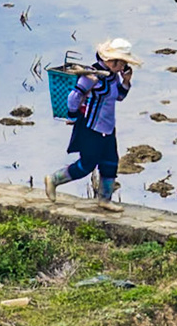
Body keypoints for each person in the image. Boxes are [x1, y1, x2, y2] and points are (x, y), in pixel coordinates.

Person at [44, 37, 141, 210]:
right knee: (86, 164)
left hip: (108, 128)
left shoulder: (112, 77)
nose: (123, 67)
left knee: (110, 163)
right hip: (91, 127)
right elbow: (74, 97)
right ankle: (54, 179)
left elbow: (119, 97)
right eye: (122, 63)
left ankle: (104, 199)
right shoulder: (91, 76)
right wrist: (72, 117)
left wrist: (126, 81)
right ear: (112, 61)